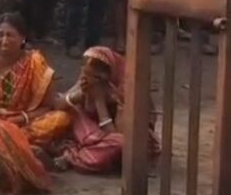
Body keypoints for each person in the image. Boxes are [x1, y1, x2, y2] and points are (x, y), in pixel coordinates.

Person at [0, 13, 69, 147]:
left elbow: (48, 106)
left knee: (61, 118)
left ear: (22, 38)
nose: (4, 40)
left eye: (10, 35)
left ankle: (15, 142)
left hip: (26, 121)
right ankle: (21, 144)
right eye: (0, 35)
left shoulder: (35, 62)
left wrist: (21, 118)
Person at [53, 46, 158, 174]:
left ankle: (73, 156)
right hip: (93, 135)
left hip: (123, 139)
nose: (89, 80)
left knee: (122, 144)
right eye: (85, 73)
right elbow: (58, 104)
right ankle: (81, 149)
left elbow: (118, 135)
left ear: (110, 74)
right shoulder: (86, 80)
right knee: (65, 112)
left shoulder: (127, 90)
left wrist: (100, 102)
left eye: (96, 77)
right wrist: (79, 94)